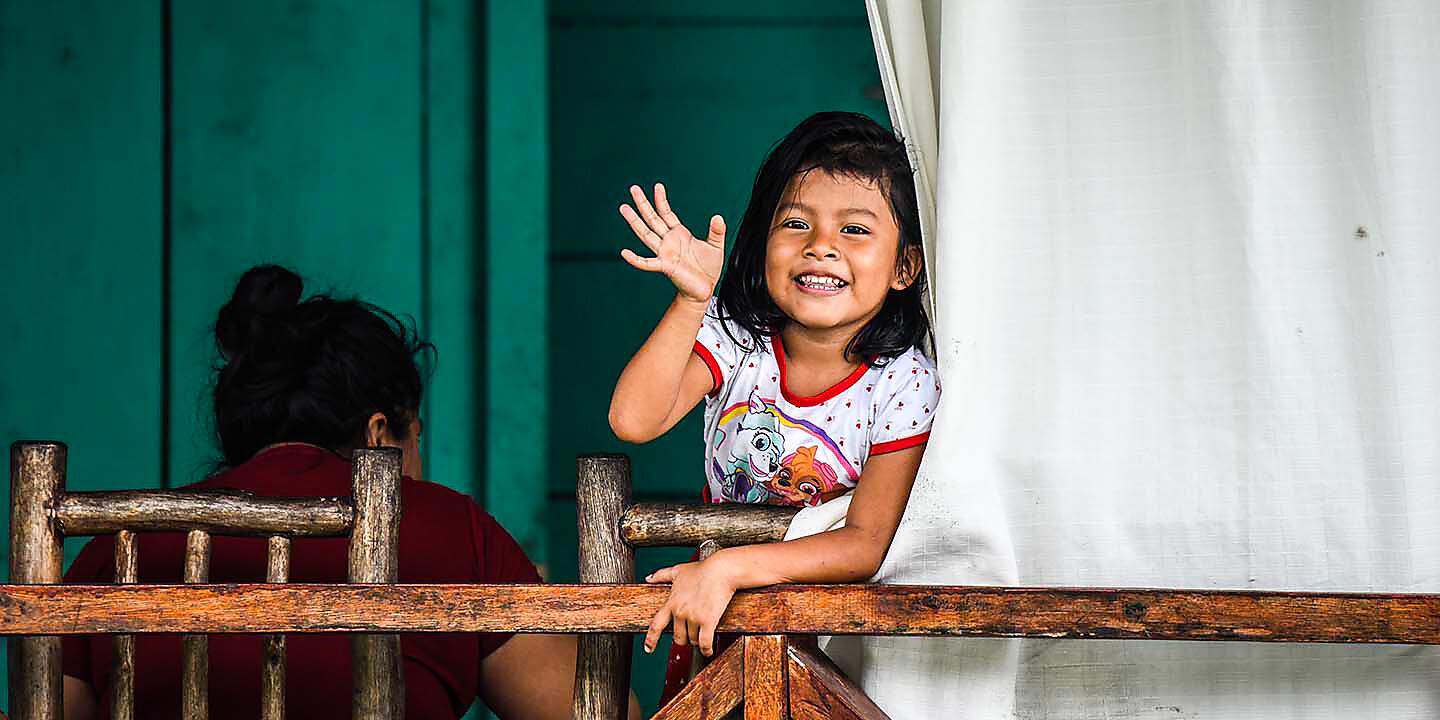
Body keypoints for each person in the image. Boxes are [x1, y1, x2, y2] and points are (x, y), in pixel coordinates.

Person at [60, 265, 637, 720]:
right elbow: (595, 713)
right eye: (416, 437)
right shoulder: (450, 532)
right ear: (379, 433)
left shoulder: (118, 549)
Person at [608, 111, 939, 698]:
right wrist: (691, 301)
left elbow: (865, 541)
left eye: (855, 231)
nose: (820, 249)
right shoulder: (739, 339)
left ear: (905, 266)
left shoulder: (905, 382)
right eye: (795, 224)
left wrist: (731, 567)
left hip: (836, 637)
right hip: (720, 622)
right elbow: (634, 420)